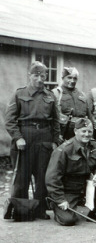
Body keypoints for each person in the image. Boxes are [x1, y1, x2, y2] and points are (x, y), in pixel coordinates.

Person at [5, 61, 61, 220]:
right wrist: (18, 137)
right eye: (36, 75)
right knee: (22, 176)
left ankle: (40, 209)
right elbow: (9, 120)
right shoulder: (19, 94)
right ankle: (21, 210)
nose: (40, 79)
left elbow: (56, 121)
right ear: (30, 76)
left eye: (43, 75)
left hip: (44, 138)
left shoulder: (50, 96)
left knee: (43, 176)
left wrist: (55, 140)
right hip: (25, 138)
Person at [45, 118, 96, 225]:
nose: (87, 134)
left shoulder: (94, 146)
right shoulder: (64, 150)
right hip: (68, 190)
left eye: (89, 131)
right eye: (83, 131)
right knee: (68, 220)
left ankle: (95, 211)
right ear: (75, 131)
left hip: (86, 187)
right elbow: (52, 178)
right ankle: (55, 204)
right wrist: (60, 199)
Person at [52, 67, 92, 140]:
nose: (72, 81)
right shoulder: (56, 93)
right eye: (69, 78)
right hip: (63, 133)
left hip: (80, 134)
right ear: (62, 78)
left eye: (75, 78)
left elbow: (89, 117)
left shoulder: (82, 95)